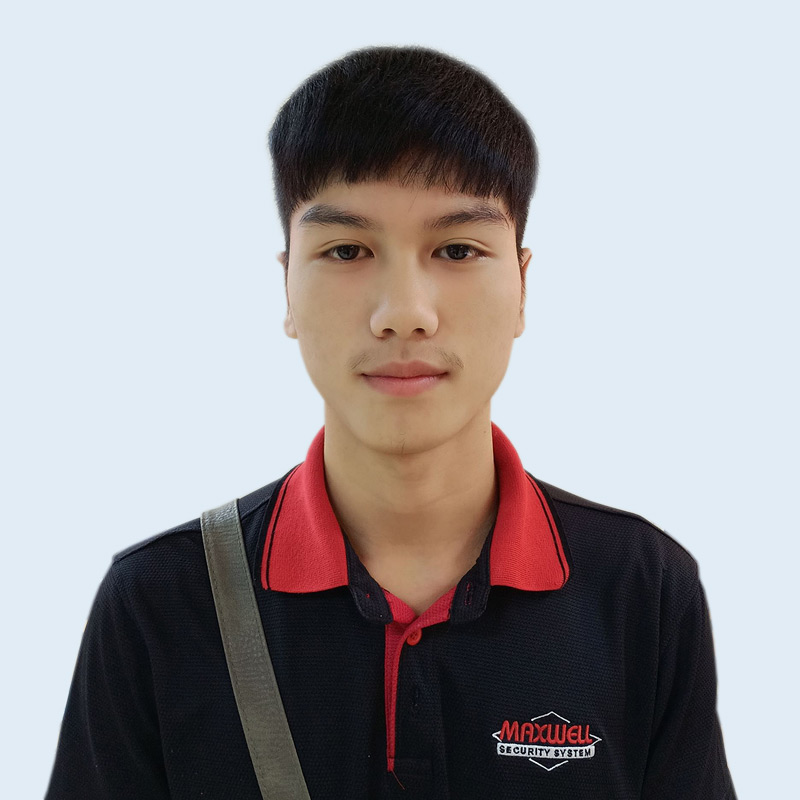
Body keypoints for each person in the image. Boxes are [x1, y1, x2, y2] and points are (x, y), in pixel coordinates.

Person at [46, 45, 737, 799]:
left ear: (522, 286)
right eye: (347, 250)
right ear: (287, 287)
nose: (404, 312)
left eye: (457, 249)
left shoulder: (641, 591)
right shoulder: (159, 604)